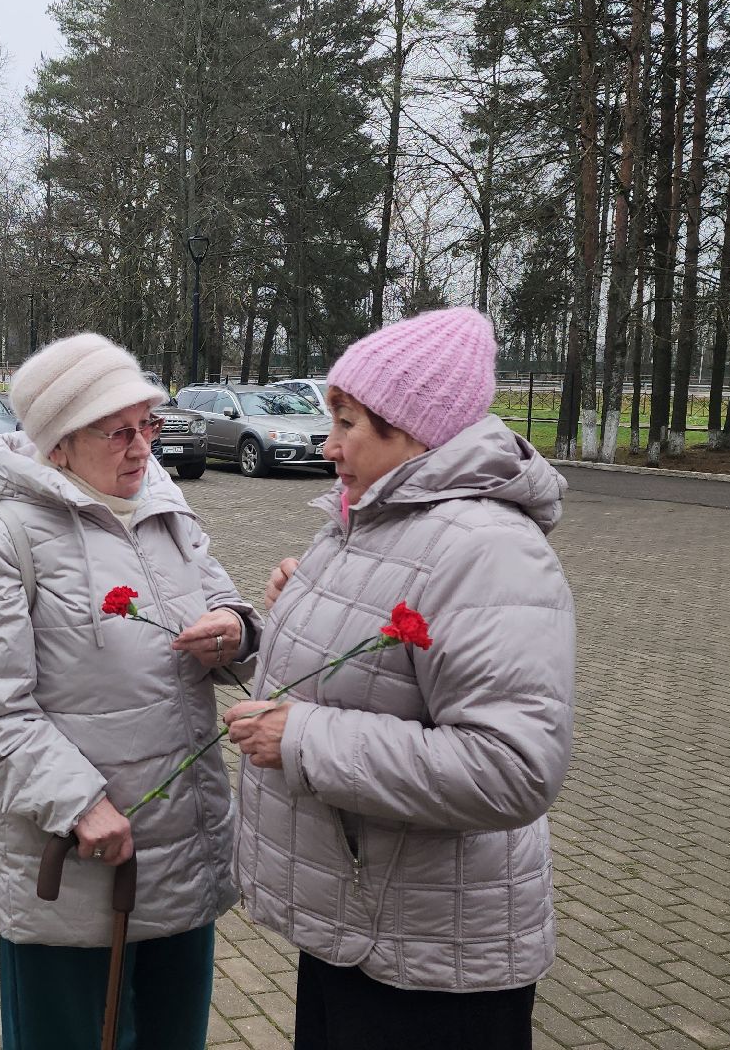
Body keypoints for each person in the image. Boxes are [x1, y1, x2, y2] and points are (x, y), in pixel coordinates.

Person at [224, 308, 575, 1050]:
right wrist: (278, 627)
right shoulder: (374, 519)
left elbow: (511, 768)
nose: (329, 445)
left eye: (348, 423)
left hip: (433, 972)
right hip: (363, 932)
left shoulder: (486, 550)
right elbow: (375, 674)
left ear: (413, 429)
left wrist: (305, 738)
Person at [0, 333, 256, 1050]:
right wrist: (78, 803)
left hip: (180, 854)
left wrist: (236, 629)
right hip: (78, 869)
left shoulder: (165, 509)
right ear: (57, 447)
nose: (141, 446)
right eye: (117, 431)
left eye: (149, 424)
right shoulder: (4, 542)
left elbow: (226, 599)